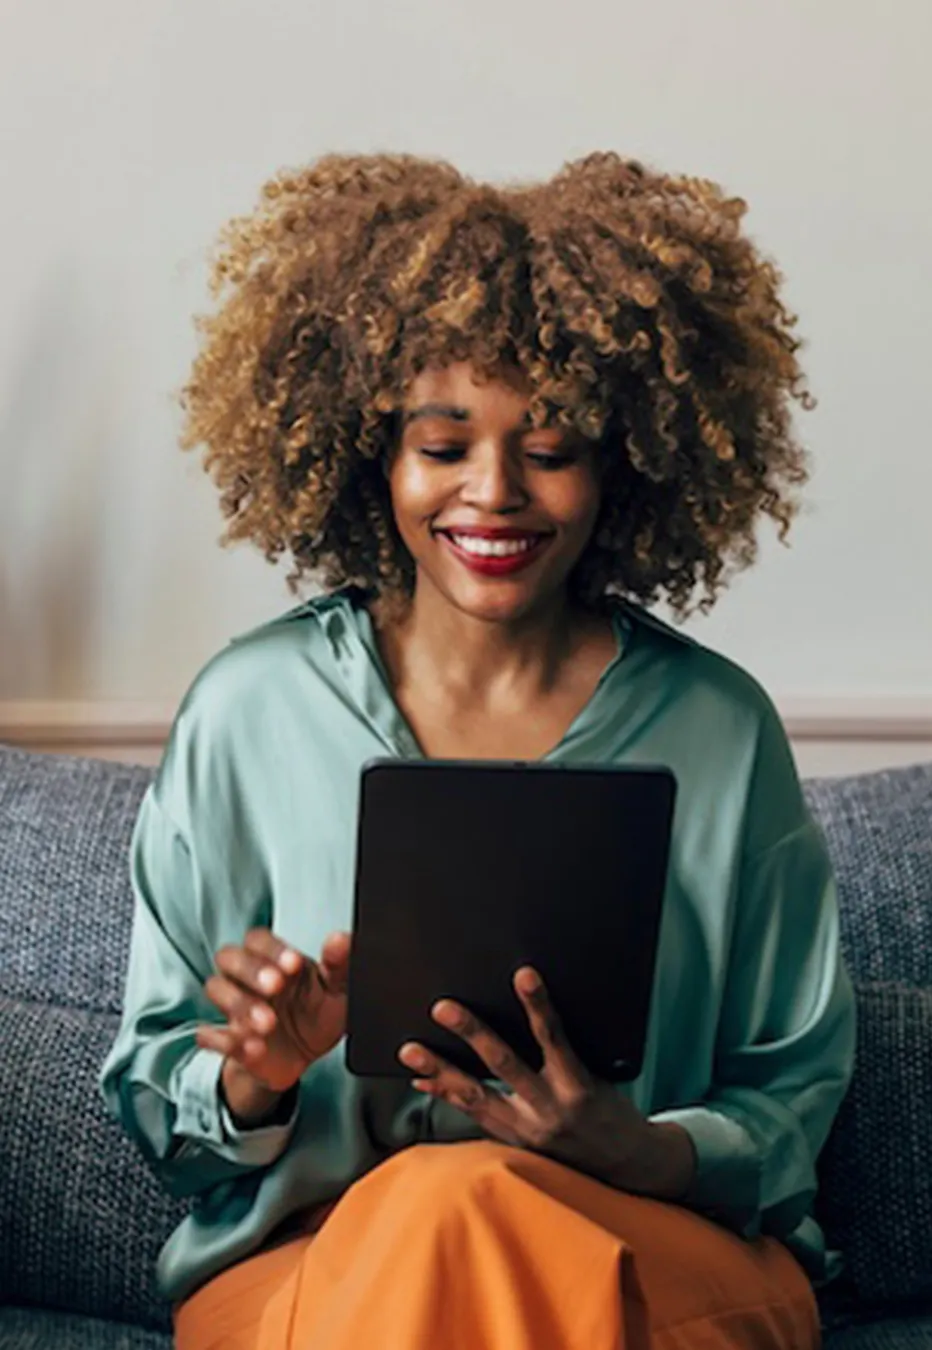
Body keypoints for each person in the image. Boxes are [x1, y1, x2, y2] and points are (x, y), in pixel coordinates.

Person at [99, 151, 856, 1350]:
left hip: (649, 1247)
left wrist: (638, 1146)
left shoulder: (718, 730)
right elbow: (160, 1101)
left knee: (466, 1213)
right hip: (314, 1269)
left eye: (549, 449)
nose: (492, 492)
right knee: (439, 1216)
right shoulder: (248, 711)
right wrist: (258, 1074)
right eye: (443, 444)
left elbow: (789, 1094)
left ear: (624, 465)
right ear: (371, 455)